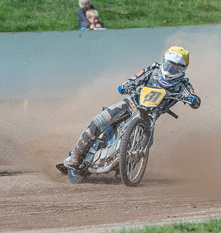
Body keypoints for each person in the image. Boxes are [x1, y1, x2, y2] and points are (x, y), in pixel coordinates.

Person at [60, 46, 200, 171]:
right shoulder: (153, 70)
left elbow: (193, 95)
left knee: (147, 143)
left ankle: (127, 168)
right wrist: (127, 85)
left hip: (152, 116)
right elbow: (134, 79)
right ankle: (76, 155)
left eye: (176, 67)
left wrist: (193, 100)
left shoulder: (183, 85)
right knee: (101, 119)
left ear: (183, 68)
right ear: (164, 61)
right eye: (169, 64)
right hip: (132, 103)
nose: (171, 69)